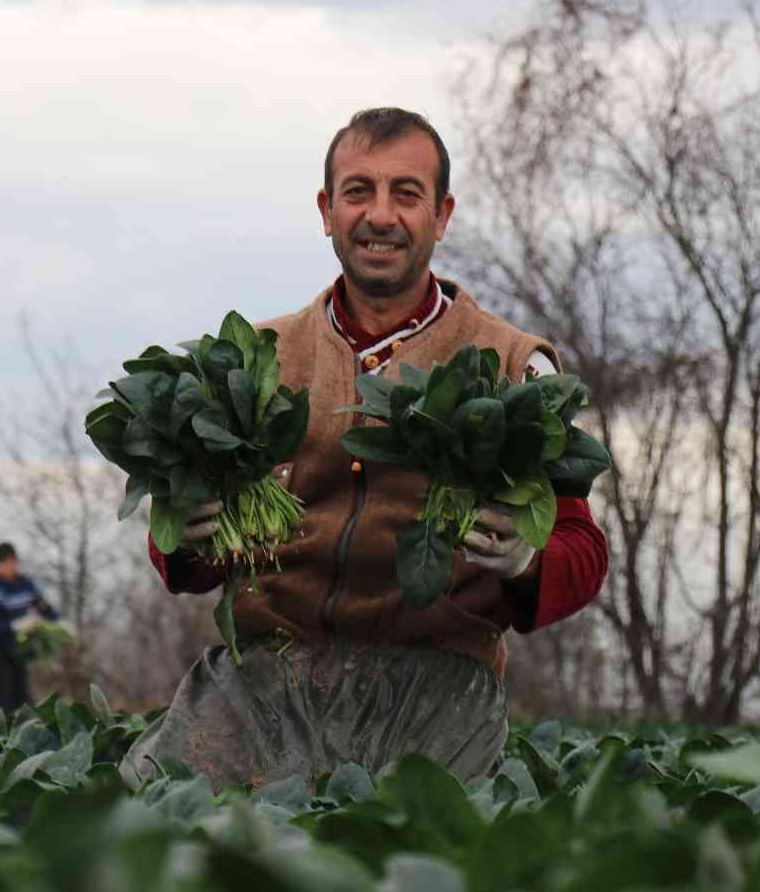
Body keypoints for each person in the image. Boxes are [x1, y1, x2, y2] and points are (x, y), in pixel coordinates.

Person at [125, 107, 610, 788]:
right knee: (151, 810)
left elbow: (582, 549)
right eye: (359, 191)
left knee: (413, 837)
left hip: (438, 680)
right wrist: (183, 531)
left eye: (405, 194)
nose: (380, 215)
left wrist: (529, 562)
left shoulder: (514, 367)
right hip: (263, 673)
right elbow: (183, 556)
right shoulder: (254, 357)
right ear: (327, 210)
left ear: (441, 216)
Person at [0, 541, 58, 712]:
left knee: (24, 707)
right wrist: (16, 625)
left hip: (18, 655)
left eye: (5, 564)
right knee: (1, 709)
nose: (1, 569)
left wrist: (59, 624)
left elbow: (44, 607)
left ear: (14, 561)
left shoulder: (26, 584)